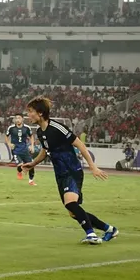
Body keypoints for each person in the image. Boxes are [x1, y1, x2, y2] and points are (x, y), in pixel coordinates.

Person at [21, 96, 118, 244]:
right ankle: (110, 229)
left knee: (70, 203)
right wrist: (32, 163)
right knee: (73, 212)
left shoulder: (57, 128)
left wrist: (92, 166)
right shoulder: (40, 132)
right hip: (60, 174)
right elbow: (45, 150)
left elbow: (80, 145)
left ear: (40, 113)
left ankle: (91, 234)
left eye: (31, 111)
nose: (28, 115)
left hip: (72, 170)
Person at [5, 114, 36, 184]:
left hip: (25, 150)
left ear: (22, 119)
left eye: (19, 118)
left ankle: (31, 181)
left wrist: (32, 146)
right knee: (20, 164)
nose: (17, 120)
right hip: (15, 150)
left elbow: (31, 136)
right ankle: (19, 171)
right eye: (16, 118)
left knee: (31, 164)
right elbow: (6, 136)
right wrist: (9, 144)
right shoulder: (11, 128)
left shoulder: (27, 128)